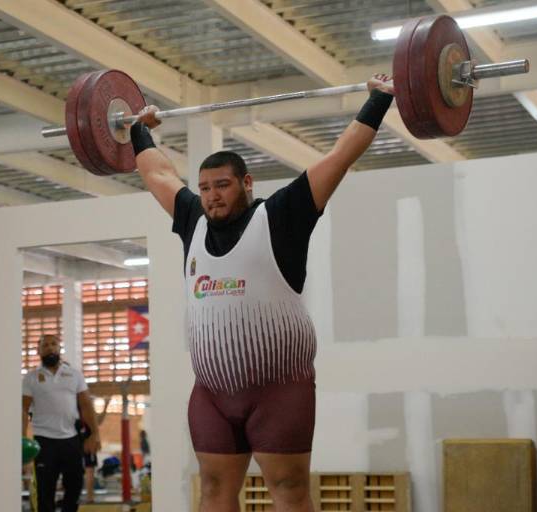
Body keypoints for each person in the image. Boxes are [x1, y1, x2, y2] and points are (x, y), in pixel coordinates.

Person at [129, 74, 395, 512]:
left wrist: (378, 100)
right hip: (212, 392)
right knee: (213, 490)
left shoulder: (281, 214)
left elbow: (339, 157)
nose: (212, 196)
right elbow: (157, 172)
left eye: (222, 185)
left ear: (246, 183)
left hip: (279, 389)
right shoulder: (192, 218)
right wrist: (139, 130)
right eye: (205, 187)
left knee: (289, 490)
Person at [22, 334, 101, 512]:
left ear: (59, 348)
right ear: (39, 351)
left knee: (75, 486)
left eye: (53, 344)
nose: (50, 348)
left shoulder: (74, 375)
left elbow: (86, 406)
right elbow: (23, 410)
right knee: (45, 491)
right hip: (44, 441)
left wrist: (95, 434)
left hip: (71, 440)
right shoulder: (31, 378)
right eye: (45, 345)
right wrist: (22, 439)